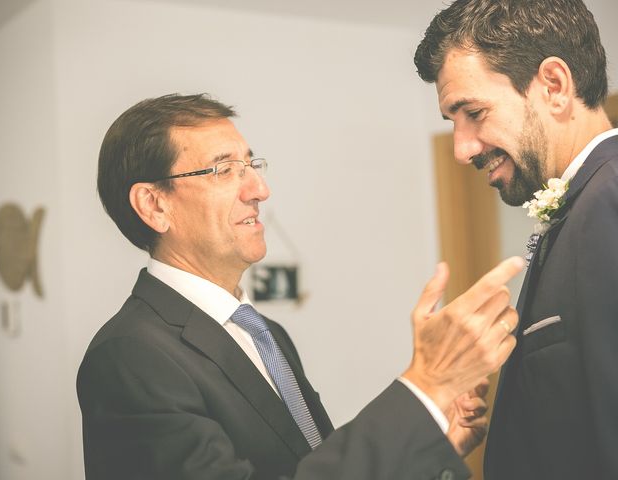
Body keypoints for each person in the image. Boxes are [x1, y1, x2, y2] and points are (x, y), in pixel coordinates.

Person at [77, 93, 523, 480]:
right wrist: (426, 385)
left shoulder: (265, 332)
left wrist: (430, 437)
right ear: (154, 205)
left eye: (251, 164)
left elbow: (312, 468)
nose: (259, 188)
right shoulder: (129, 357)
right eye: (223, 170)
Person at [414, 0, 618, 479]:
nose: (462, 149)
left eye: (474, 112)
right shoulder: (581, 202)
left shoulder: (609, 200)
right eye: (453, 122)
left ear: (554, 86)